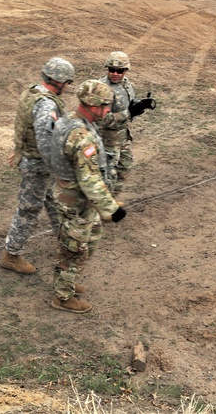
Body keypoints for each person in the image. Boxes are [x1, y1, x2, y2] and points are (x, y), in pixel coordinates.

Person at [45, 80, 126, 314]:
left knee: (91, 237)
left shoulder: (69, 121)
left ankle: (67, 280)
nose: (108, 110)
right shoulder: (81, 136)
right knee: (74, 249)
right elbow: (89, 179)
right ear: (92, 105)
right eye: (105, 105)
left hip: (71, 197)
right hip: (76, 203)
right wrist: (112, 208)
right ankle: (63, 296)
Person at [1, 57, 75, 275]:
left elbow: (26, 127)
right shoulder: (47, 104)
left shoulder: (33, 92)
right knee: (29, 209)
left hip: (34, 160)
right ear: (58, 81)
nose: (68, 87)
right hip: (38, 166)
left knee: (55, 202)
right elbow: (45, 142)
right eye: (67, 82)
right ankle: (12, 254)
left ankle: (66, 242)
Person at [96, 52, 155, 197]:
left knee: (124, 167)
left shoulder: (126, 85)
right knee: (106, 176)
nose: (115, 73)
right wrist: (129, 113)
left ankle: (112, 201)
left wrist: (140, 105)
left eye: (119, 71)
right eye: (111, 70)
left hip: (123, 137)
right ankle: (100, 207)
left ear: (125, 70)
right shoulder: (101, 88)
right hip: (107, 140)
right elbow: (101, 119)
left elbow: (129, 104)